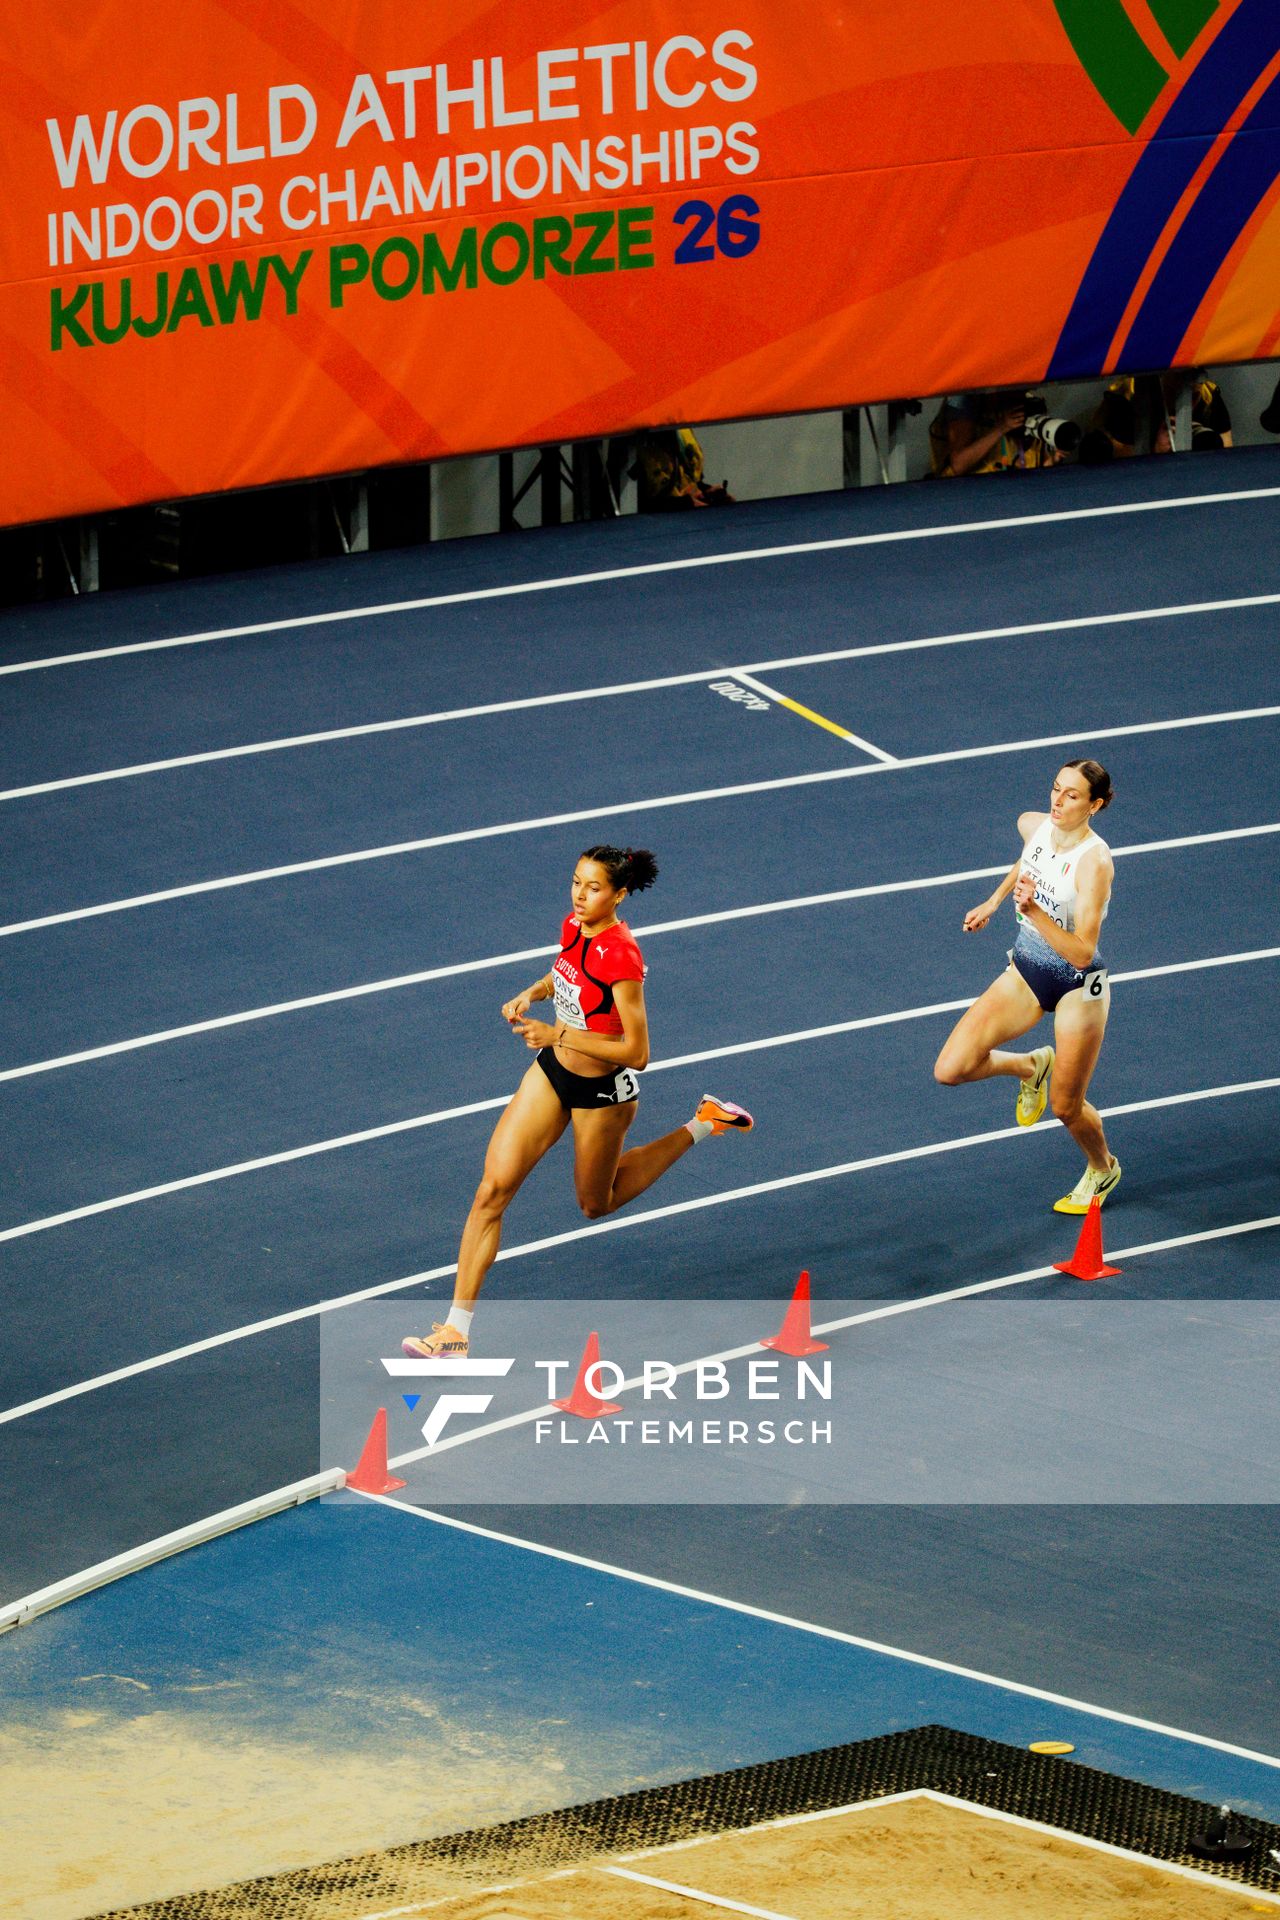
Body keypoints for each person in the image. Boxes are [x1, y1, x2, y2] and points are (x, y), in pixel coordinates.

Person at [402, 845, 753, 1357]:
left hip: (603, 1093)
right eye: (576, 883)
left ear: (619, 894)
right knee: (491, 1191)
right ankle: (455, 1332)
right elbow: (564, 973)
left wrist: (558, 1036)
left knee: (596, 1202)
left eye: (593, 888)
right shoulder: (574, 925)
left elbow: (638, 1053)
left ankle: (704, 1121)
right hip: (552, 1072)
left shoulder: (623, 957)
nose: (580, 895)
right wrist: (534, 991)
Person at [933, 761, 1121, 1213]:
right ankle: (1029, 1067)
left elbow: (1081, 952)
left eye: (1071, 795)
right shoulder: (1034, 825)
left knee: (1065, 1107)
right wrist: (994, 901)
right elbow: (1029, 860)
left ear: (1094, 805)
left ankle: (1103, 1167)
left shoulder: (1095, 863)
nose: (1057, 801)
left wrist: (1033, 912)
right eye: (1056, 788)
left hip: (1079, 986)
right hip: (1028, 969)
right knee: (951, 1069)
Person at [928, 393, 1062, 477]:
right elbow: (958, 465)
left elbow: (1029, 460)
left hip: (1013, 489)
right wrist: (1002, 428)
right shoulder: (962, 401)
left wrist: (1053, 459)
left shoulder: (1028, 402)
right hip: (966, 491)